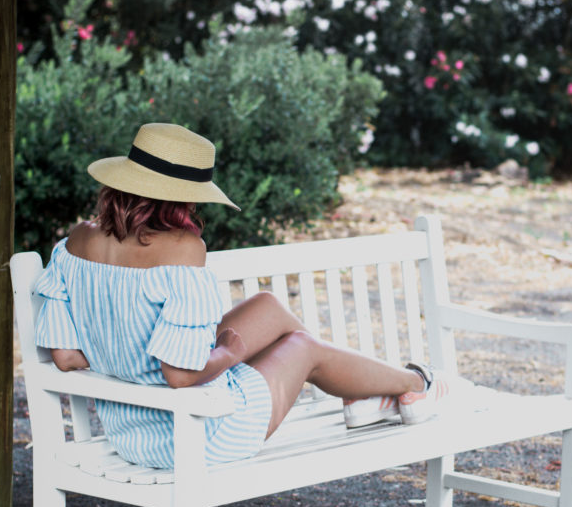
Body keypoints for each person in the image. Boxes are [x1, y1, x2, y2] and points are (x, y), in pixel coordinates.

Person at [34, 122, 450, 468]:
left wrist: (121, 349)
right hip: (202, 432)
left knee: (268, 307)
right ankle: (415, 384)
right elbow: (179, 377)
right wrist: (228, 356)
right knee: (303, 346)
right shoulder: (181, 249)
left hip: (131, 435)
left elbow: (67, 357)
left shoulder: (77, 241)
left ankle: (367, 393)